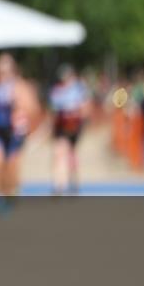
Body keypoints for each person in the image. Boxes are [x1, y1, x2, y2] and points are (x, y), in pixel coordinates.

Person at [0, 53, 28, 206]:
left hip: (13, 134)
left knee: (11, 170)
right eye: (1, 65)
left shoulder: (18, 86)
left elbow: (29, 108)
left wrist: (17, 106)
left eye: (7, 65)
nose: (3, 69)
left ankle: (10, 193)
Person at [49, 64, 90, 194]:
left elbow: (85, 108)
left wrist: (78, 117)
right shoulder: (57, 90)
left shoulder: (79, 89)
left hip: (75, 127)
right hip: (62, 127)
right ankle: (60, 184)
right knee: (60, 152)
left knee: (71, 154)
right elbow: (54, 110)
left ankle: (73, 180)